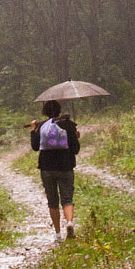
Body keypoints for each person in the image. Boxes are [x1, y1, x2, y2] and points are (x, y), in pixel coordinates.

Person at [30, 99, 80, 240]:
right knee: (67, 199)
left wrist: (33, 131)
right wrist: (76, 138)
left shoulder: (41, 127)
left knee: (52, 202)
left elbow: (35, 147)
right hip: (66, 167)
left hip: (47, 168)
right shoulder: (69, 126)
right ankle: (69, 223)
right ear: (59, 110)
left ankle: (58, 234)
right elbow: (75, 150)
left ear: (45, 112)